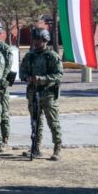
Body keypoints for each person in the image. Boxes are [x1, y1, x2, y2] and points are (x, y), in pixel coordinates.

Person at [19, 27, 63, 160]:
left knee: (53, 122)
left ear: (45, 40)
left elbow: (58, 75)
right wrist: (27, 78)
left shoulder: (52, 56)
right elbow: (22, 72)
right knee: (35, 122)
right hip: (33, 93)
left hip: (48, 94)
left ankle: (57, 148)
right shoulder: (29, 56)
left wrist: (42, 79)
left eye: (40, 40)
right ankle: (35, 148)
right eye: (35, 40)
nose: (37, 42)